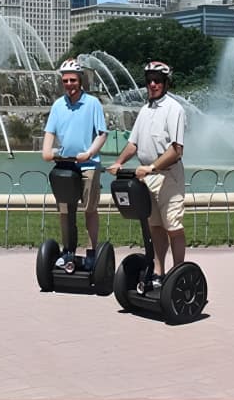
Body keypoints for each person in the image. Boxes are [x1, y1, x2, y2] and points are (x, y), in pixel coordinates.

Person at [108, 61, 186, 286]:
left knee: (173, 226)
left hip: (168, 175)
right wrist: (119, 162)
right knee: (155, 227)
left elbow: (176, 149)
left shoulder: (174, 109)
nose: (153, 84)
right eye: (150, 80)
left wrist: (152, 167)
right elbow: (133, 143)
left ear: (166, 83)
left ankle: (179, 273)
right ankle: (159, 273)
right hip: (146, 177)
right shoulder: (144, 110)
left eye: (158, 81)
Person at [42, 58, 108, 271]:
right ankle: (68, 250)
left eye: (73, 80)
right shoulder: (58, 105)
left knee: (89, 209)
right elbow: (50, 132)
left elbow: (102, 134)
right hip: (65, 165)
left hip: (87, 164)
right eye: (65, 81)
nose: (69, 84)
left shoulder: (92, 104)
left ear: (80, 80)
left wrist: (89, 152)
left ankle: (91, 251)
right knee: (64, 211)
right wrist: (47, 150)